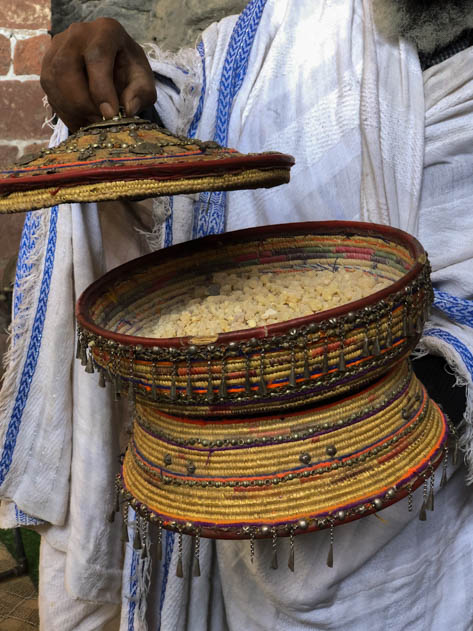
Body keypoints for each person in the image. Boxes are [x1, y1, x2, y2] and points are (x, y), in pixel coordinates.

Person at [1, 0, 473, 629]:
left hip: (420, 519)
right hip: (229, 504)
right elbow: (185, 123)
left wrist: (343, 426)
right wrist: (112, 93)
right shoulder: (284, 32)